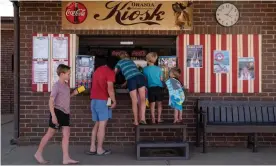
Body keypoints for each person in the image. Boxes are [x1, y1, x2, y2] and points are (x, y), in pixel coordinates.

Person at [34, 64, 79, 165]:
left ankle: (66, 158)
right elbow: (51, 101)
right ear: (62, 74)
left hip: (66, 113)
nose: (69, 76)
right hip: (57, 112)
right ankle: (38, 153)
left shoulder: (66, 86)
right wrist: (53, 116)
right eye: (68, 74)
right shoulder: (56, 86)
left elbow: (67, 97)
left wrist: (74, 93)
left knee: (66, 134)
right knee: (50, 134)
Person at [88, 56, 117, 155]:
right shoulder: (110, 72)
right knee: (102, 125)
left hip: (94, 100)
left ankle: (92, 147)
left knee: (97, 124)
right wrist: (114, 101)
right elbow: (110, 89)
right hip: (104, 100)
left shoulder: (98, 70)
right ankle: (100, 149)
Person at [115, 51, 146, 125]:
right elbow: (133, 73)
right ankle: (143, 118)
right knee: (142, 98)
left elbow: (114, 72)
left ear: (120, 57)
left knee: (134, 100)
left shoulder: (119, 62)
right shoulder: (131, 61)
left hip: (131, 80)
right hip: (140, 77)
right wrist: (125, 83)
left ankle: (135, 121)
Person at [143, 52, 164, 124]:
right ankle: (159, 119)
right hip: (159, 87)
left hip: (150, 88)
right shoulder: (159, 69)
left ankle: (153, 119)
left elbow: (144, 80)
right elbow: (161, 79)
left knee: (152, 104)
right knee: (159, 104)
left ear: (147, 60)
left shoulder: (145, 69)